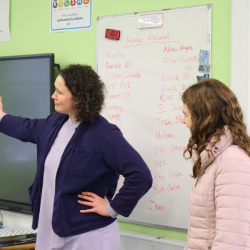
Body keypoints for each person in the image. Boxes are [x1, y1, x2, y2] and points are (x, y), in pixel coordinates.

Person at [0, 64, 152, 250]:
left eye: (59, 92)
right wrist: (1, 117)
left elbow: (141, 175)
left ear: (78, 99)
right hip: (52, 229)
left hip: (88, 235)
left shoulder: (104, 133)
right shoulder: (55, 122)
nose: (53, 96)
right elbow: (26, 127)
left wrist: (113, 208)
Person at [181, 78, 250, 249]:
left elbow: (232, 241)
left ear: (204, 118)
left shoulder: (232, 161)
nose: (183, 121)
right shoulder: (211, 157)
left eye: (186, 115)